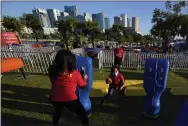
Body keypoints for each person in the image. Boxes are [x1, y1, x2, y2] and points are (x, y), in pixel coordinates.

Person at [48, 49, 89, 126]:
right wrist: (85, 79)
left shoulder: (52, 70)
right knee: (83, 114)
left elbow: (53, 81)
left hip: (54, 98)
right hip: (70, 99)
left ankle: (55, 123)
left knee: (58, 111)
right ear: (71, 61)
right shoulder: (75, 73)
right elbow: (82, 86)